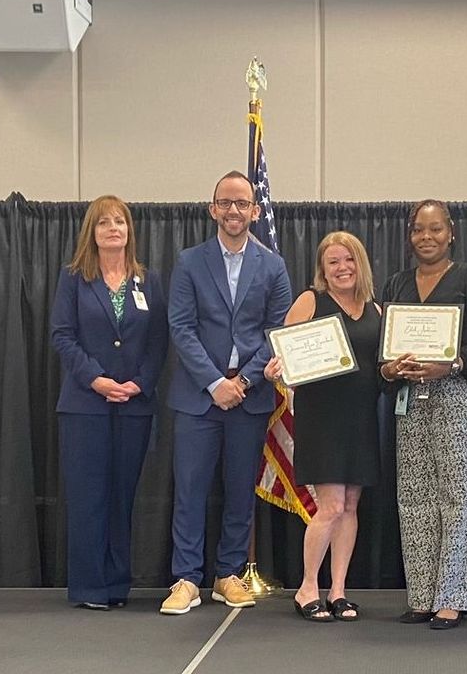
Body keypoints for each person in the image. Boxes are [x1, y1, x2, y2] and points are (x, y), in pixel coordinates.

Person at [160, 170, 292, 615]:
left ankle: (228, 574)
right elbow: (181, 327)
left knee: (240, 490)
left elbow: (277, 331)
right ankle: (185, 579)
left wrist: (244, 382)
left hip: (250, 396)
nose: (233, 210)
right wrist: (215, 383)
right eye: (225, 203)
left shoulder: (273, 266)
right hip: (199, 397)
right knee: (191, 489)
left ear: (256, 211)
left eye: (242, 203)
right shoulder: (189, 262)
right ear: (212, 208)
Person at [380, 199, 467, 630]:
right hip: (410, 403)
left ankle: (452, 597)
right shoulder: (396, 284)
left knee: (460, 499)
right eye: (418, 230)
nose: (426, 238)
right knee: (415, 499)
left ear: (451, 233)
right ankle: (422, 596)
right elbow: (384, 353)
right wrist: (390, 368)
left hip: (460, 401)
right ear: (409, 235)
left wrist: (449, 364)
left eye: (435, 230)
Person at [51, 194, 168, 609]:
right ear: (93, 233)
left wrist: (140, 383)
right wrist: (96, 380)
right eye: (104, 223)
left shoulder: (147, 281)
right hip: (85, 406)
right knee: (88, 496)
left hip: (134, 406)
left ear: (129, 231)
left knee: (122, 495)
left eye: (120, 221)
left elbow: (158, 342)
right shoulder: (74, 279)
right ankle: (88, 587)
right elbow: (62, 335)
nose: (113, 228)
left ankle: (117, 585)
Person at [265, 232, 381, 622]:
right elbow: (285, 360)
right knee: (329, 506)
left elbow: (382, 369)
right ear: (322, 269)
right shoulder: (310, 301)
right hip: (322, 419)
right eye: (333, 262)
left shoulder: (376, 310)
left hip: (361, 419)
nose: (342, 268)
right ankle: (307, 587)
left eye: (348, 260)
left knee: (350, 506)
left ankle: (339, 591)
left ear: (359, 263)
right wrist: (275, 371)